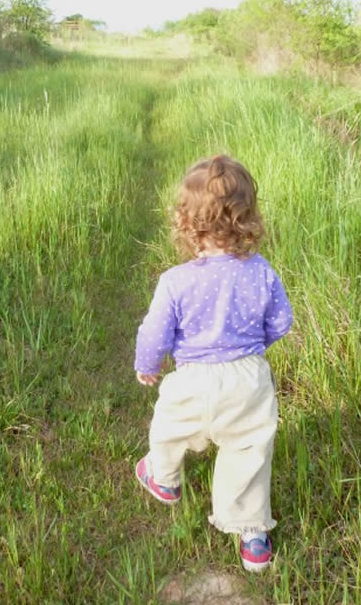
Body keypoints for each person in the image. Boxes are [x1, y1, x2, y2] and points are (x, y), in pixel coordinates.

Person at [133, 154, 293, 572]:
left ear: (186, 223)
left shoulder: (175, 281)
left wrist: (148, 364)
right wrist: (255, 347)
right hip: (248, 378)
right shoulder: (261, 273)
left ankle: (164, 478)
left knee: (168, 427)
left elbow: (154, 333)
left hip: (193, 380)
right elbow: (281, 322)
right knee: (249, 453)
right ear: (247, 219)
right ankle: (254, 538)